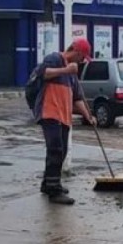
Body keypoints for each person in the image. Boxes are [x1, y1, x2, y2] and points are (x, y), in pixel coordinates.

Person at [32, 37, 96, 205]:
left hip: (64, 115)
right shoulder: (55, 58)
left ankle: (48, 183)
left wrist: (88, 116)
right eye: (82, 57)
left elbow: (77, 98)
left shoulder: (73, 74)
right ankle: (54, 190)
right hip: (49, 111)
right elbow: (43, 73)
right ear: (77, 52)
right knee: (55, 150)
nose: (82, 61)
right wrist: (66, 70)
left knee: (62, 150)